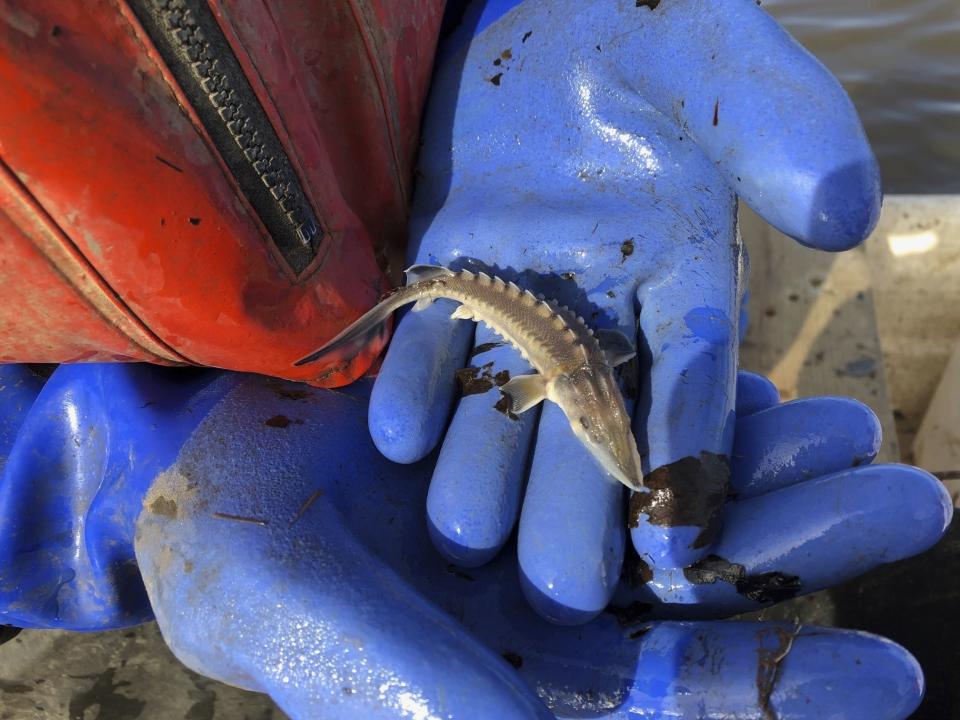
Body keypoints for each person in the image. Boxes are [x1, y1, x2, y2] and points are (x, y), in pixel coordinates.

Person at [0, 1, 950, 718]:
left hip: (451, 177)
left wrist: (509, 12)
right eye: (588, 419)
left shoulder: (569, 383)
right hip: (328, 350)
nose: (596, 424)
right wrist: (96, 466)